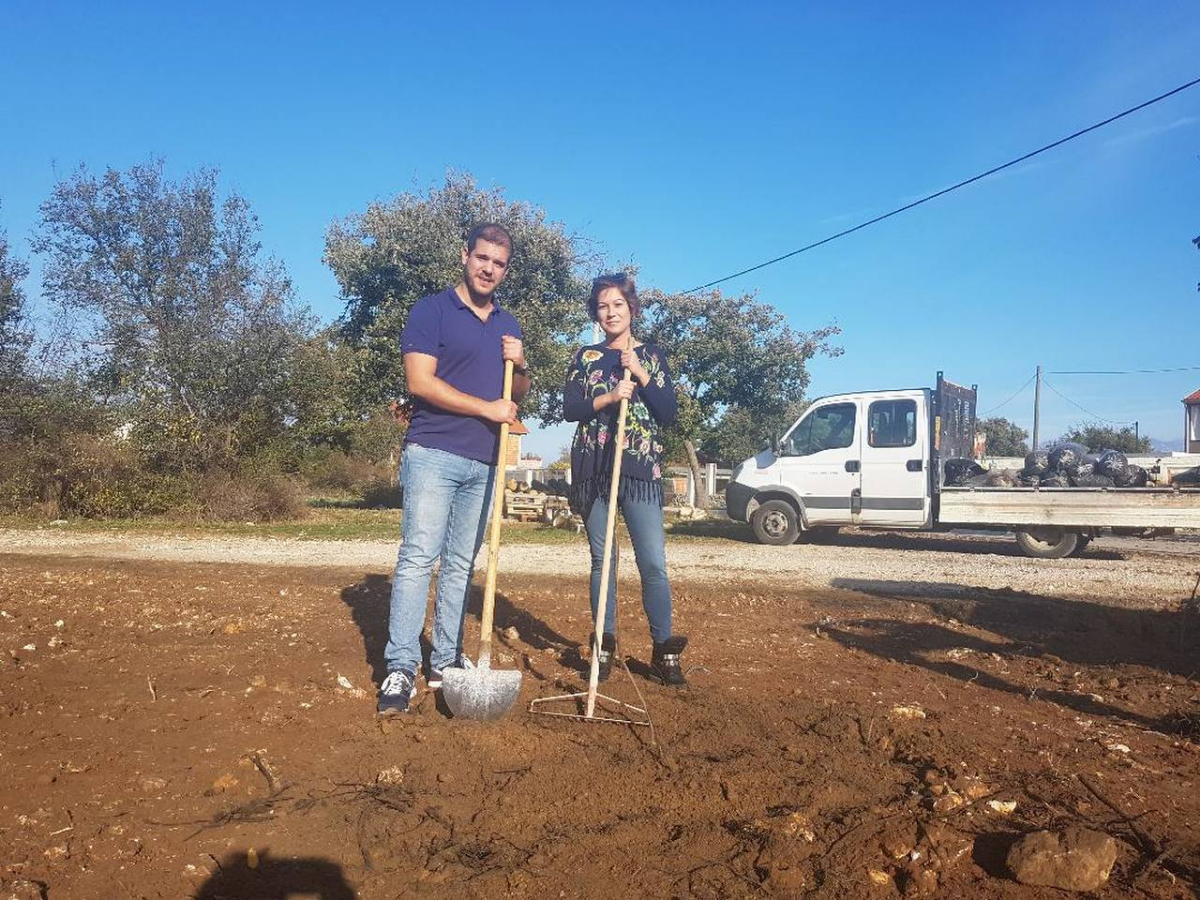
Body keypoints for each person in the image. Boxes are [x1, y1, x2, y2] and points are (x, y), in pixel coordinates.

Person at [378, 223, 530, 716]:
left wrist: (520, 364)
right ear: (465, 255)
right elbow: (419, 382)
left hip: (484, 460)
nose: (489, 269)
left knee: (461, 563)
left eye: (499, 263)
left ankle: (445, 660)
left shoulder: (509, 323)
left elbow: (516, 394)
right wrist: (487, 409)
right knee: (418, 558)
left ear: (506, 270)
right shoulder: (432, 311)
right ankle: (401, 667)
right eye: (482, 258)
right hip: (433, 451)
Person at [562, 273, 687, 686]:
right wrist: (610, 396)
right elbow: (570, 409)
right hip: (594, 466)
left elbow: (668, 412)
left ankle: (664, 650)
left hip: (639, 468)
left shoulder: (650, 354)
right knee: (604, 561)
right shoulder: (585, 357)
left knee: (652, 561)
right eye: (602, 306)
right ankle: (604, 644)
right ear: (595, 313)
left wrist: (640, 373)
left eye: (618, 304)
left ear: (631, 309)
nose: (611, 312)